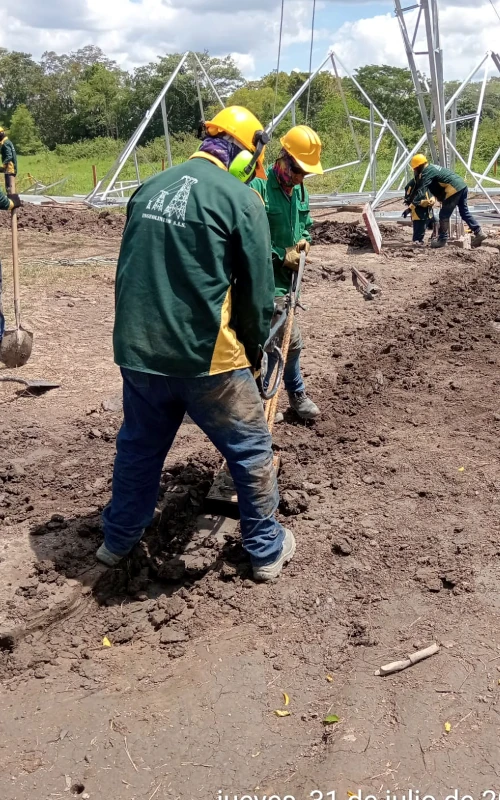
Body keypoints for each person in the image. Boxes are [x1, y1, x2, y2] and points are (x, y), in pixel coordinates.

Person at [97, 106, 295, 582]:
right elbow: (256, 292)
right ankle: (266, 550)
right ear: (246, 152)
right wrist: (254, 351)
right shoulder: (240, 198)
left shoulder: (148, 188)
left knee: (139, 449)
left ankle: (117, 540)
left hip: (139, 351)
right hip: (207, 359)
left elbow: (133, 271)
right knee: (250, 449)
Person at [251, 125, 323, 421]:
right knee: (282, 344)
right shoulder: (259, 187)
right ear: (284, 158)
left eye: (305, 173)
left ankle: (279, 398)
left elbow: (305, 223)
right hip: (262, 283)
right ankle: (271, 401)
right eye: (298, 170)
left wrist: (305, 241)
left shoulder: (300, 189)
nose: (300, 177)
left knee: (284, 343)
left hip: (290, 283)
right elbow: (249, 240)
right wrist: (281, 256)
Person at [410, 154, 486, 249]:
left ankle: (442, 240)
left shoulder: (426, 172)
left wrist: (412, 205)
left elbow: (422, 190)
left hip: (453, 189)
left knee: (443, 215)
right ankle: (479, 232)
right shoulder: (432, 168)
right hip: (462, 185)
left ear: (418, 166)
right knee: (464, 212)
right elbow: (437, 184)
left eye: (415, 169)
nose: (414, 171)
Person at [403, 177, 437, 245]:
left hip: (428, 211)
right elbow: (411, 199)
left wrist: (433, 199)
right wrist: (422, 202)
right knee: (420, 229)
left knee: (436, 222)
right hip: (418, 213)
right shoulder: (413, 184)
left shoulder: (427, 182)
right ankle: (417, 241)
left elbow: (431, 193)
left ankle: (434, 237)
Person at [0, 128, 18, 194]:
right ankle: (12, 200)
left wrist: (3, 165)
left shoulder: (5, 143)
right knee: (9, 187)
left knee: (9, 187)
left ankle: (12, 202)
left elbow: (9, 156)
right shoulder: (7, 142)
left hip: (10, 168)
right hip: (10, 168)